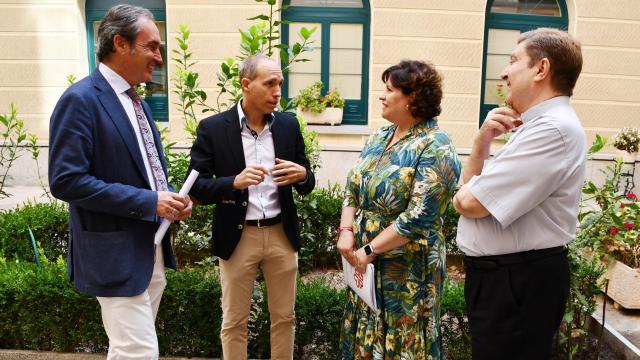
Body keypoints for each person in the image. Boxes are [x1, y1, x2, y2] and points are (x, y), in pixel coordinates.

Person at [48, 5, 192, 359]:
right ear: (120, 43)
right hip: (113, 254)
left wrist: (169, 198)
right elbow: (66, 180)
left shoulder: (135, 100)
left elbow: (139, 169)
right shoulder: (80, 100)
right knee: (138, 352)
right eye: (152, 46)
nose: (159, 57)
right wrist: (149, 202)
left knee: (126, 350)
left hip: (151, 247)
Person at [453, 28, 585, 359]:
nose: (503, 72)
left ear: (541, 69)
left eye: (513, 61)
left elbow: (468, 202)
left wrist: (465, 196)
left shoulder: (551, 130)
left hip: (517, 282)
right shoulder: (539, 127)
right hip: (508, 279)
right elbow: (468, 196)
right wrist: (481, 141)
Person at [187, 54, 315, 360]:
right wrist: (234, 181)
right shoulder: (213, 129)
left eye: (280, 84)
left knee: (285, 318)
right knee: (234, 321)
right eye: (270, 83)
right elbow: (197, 188)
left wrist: (304, 174)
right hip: (238, 236)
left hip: (281, 235)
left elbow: (307, 182)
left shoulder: (287, 125)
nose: (277, 91)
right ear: (246, 84)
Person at [337, 60, 461, 359]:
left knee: (404, 335)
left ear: (412, 99)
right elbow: (353, 186)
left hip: (408, 267)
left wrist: (367, 252)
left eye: (390, 89)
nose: (382, 95)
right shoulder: (380, 136)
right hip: (365, 263)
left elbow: (419, 217)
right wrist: (345, 230)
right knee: (366, 327)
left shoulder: (436, 146)